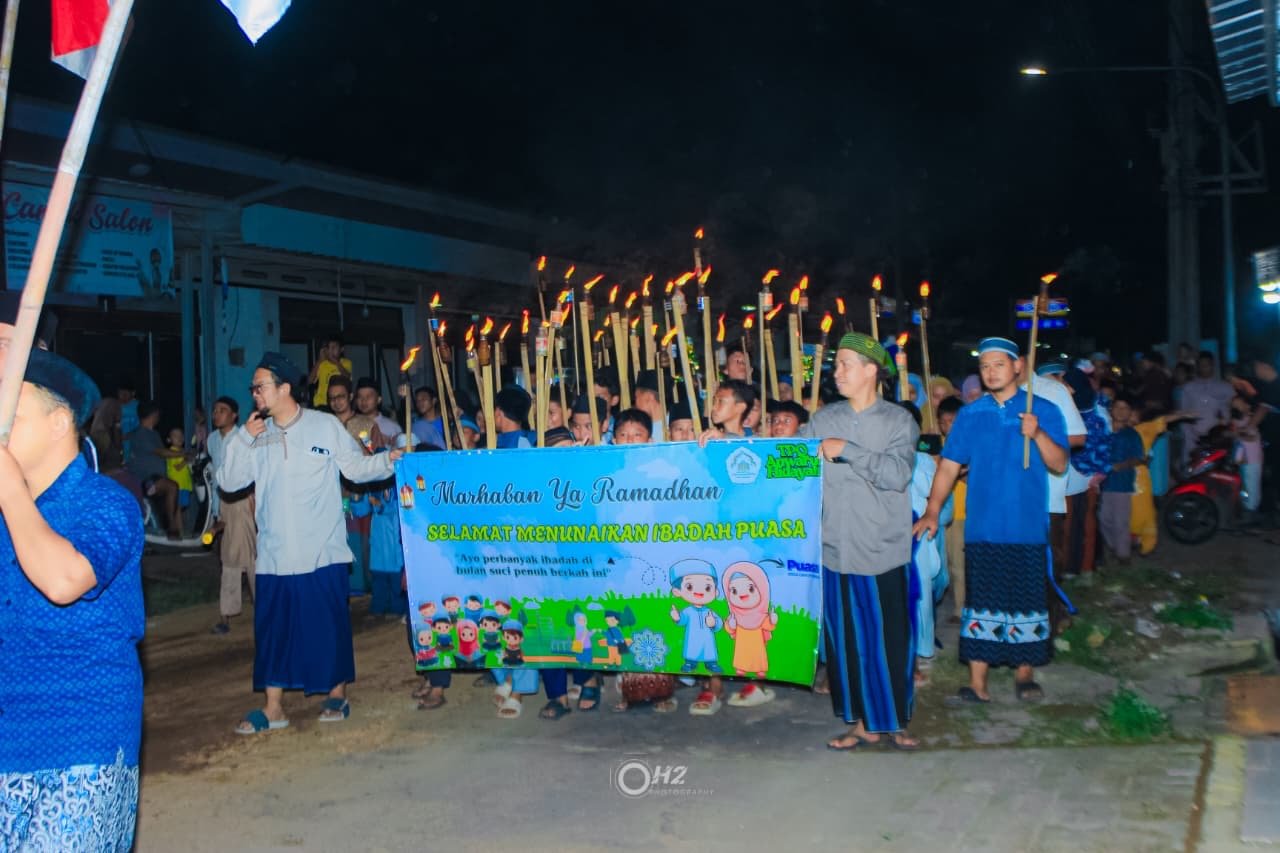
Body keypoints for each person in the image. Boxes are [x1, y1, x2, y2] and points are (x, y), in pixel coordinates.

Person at [0, 349, 144, 850]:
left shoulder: (107, 503)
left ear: (60, 421)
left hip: (81, 735)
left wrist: (10, 491)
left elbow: (64, 580)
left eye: (8, 415)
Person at [219, 352, 402, 734]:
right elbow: (230, 483)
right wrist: (241, 437)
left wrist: (390, 461)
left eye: (260, 386)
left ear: (284, 388)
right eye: (253, 387)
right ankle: (273, 709)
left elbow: (356, 468)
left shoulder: (324, 426)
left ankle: (337, 692)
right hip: (274, 555)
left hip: (322, 551)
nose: (254, 393)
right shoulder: (255, 435)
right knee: (273, 631)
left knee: (327, 626)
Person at [915, 337, 1067, 705]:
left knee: (1026, 601)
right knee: (981, 602)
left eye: (999, 364)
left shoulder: (1042, 409)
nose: (991, 372)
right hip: (983, 527)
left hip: (1027, 526)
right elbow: (949, 465)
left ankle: (1024, 674)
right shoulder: (971, 414)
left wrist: (1037, 433)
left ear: (1017, 367)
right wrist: (933, 509)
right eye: (985, 366)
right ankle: (977, 682)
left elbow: (1060, 463)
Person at [803, 332, 920, 751]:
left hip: (882, 551)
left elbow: (897, 474)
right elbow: (781, 459)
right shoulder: (821, 420)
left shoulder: (899, 421)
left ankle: (896, 720)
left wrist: (848, 450)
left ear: (872, 370)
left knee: (889, 639)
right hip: (836, 550)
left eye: (846, 364)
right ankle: (862, 724)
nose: (838, 373)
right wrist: (725, 443)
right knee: (847, 643)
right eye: (837, 365)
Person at [208, 396, 257, 635]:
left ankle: (260, 609)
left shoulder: (243, 437)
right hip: (224, 502)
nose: (217, 414)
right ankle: (227, 613)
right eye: (215, 411)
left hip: (243, 501)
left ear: (234, 415)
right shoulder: (212, 440)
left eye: (223, 410)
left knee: (250, 557)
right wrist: (216, 510)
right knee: (229, 558)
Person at [1099, 394, 1144, 566]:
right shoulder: (1102, 430)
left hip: (1121, 483)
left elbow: (1138, 457)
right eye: (1117, 407)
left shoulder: (1132, 435)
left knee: (1120, 521)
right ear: (1111, 410)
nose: (1121, 411)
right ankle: (1116, 546)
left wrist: (1121, 465)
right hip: (1101, 483)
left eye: (1125, 408)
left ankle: (1124, 556)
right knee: (1103, 518)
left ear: (1130, 413)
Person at [127, 401, 181, 539]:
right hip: (145, 479)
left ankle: (170, 527)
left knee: (173, 494)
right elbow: (160, 452)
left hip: (155, 477)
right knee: (172, 487)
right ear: (154, 415)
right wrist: (183, 453)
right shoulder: (141, 434)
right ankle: (172, 528)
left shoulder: (153, 434)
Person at [937, 396, 967, 623]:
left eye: (953, 421)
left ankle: (960, 608)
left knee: (958, 563)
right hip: (940, 512)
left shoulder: (970, 445)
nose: (948, 426)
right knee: (943, 562)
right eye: (944, 422)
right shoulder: (936, 444)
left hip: (961, 513)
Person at [1179, 351, 1233, 464]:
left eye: (1207, 364)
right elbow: (1183, 416)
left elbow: (1231, 414)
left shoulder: (1225, 388)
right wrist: (1190, 441)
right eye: (1201, 364)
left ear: (1213, 365)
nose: (1204, 367)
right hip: (1194, 440)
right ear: (1197, 366)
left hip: (1217, 441)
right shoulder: (1189, 388)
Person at [354, 377, 403, 443]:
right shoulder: (352, 425)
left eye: (368, 396)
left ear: (379, 399)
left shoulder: (393, 427)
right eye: (360, 397)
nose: (363, 400)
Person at [309, 334, 352, 408]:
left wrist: (335, 362)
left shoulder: (346, 363)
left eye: (334, 347)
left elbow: (347, 377)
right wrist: (319, 360)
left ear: (341, 349)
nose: (331, 350)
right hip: (322, 403)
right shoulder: (322, 364)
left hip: (339, 403)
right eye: (329, 347)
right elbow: (309, 381)